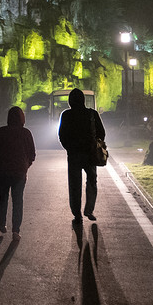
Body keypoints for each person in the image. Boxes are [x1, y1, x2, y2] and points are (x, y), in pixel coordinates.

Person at [57, 88, 106, 224]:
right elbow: (102, 132)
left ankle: (77, 213)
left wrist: (69, 148)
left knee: (74, 184)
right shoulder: (92, 113)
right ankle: (89, 210)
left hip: (74, 154)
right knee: (91, 181)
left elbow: (61, 135)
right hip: (90, 153)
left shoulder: (66, 115)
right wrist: (94, 144)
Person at [0, 105, 36, 240]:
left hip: (2, 171)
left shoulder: (1, 132)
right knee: (17, 200)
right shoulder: (26, 133)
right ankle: (16, 230)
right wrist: (26, 165)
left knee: (3, 198)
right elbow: (32, 153)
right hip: (19, 172)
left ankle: (1, 222)